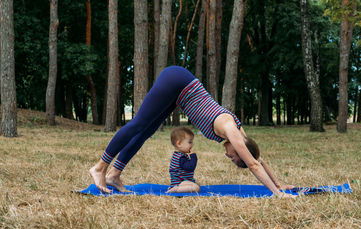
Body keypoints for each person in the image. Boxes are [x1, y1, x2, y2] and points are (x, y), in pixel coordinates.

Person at [89, 65, 295, 198]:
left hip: (180, 93)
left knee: (144, 132)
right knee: (139, 123)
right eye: (233, 157)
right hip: (178, 81)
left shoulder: (242, 135)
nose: (227, 155)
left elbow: (259, 158)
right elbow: (252, 164)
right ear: (240, 149)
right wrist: (277, 194)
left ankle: (114, 174)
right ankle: (100, 168)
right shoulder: (232, 130)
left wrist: (280, 185)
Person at [165, 127, 200, 193]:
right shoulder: (181, 157)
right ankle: (177, 189)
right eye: (190, 142)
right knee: (196, 188)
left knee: (197, 185)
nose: (192, 144)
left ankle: (176, 188)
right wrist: (193, 156)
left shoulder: (178, 155)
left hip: (182, 181)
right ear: (179, 144)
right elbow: (190, 168)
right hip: (180, 182)